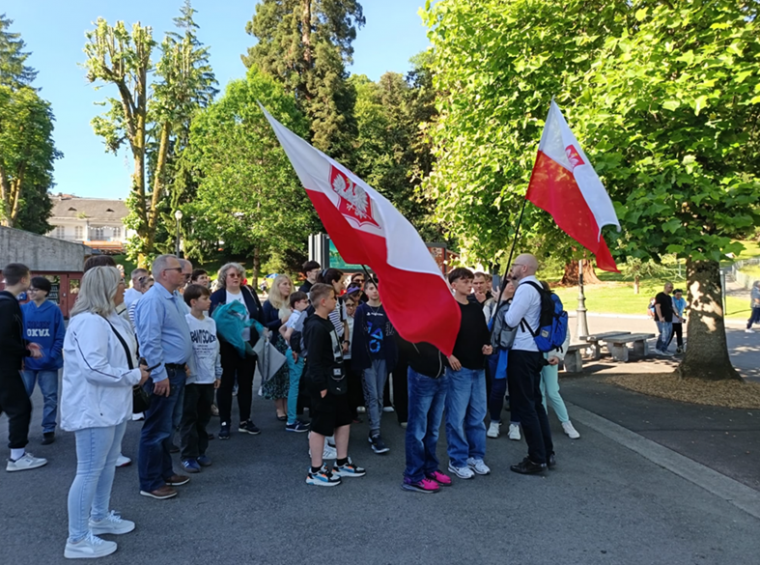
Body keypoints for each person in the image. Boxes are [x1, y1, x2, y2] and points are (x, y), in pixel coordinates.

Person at [61, 266, 149, 559]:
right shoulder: (90, 322)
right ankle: (77, 539)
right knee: (89, 470)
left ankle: (98, 517)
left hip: (110, 406)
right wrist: (134, 376)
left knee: (107, 464)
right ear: (106, 288)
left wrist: (134, 371)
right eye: (120, 282)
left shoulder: (109, 318)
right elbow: (94, 369)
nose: (125, 287)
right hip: (93, 408)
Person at [133, 254, 193, 500]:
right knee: (156, 429)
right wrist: (159, 375)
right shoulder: (153, 300)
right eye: (178, 269)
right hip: (164, 373)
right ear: (164, 273)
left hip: (174, 371)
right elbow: (149, 341)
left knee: (167, 428)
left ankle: (164, 472)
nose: (183, 274)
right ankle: (150, 482)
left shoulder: (173, 297)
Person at [304, 283, 365, 486]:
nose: (336, 301)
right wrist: (321, 386)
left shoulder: (328, 321)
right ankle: (315, 470)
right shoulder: (315, 326)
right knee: (320, 425)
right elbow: (313, 360)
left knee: (343, 420)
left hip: (337, 380)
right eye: (332, 298)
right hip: (324, 383)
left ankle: (341, 462)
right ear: (322, 301)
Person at [505, 254, 555, 475]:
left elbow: (511, 320)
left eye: (515, 265)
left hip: (522, 351)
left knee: (525, 406)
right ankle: (547, 452)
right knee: (536, 404)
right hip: (534, 351)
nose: (512, 268)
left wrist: (506, 300)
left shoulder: (525, 289)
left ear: (524, 268)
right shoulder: (539, 288)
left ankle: (536, 458)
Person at [445, 268, 492, 479]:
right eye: (465, 281)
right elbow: (440, 336)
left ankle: (476, 456)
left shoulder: (475, 308)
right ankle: (457, 460)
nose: (470, 284)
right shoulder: (449, 308)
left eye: (470, 281)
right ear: (454, 285)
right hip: (459, 369)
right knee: (456, 418)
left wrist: (488, 346)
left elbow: (483, 334)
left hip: (478, 367)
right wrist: (448, 355)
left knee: (477, 416)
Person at [209, 262, 264, 439]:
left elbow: (258, 314)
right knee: (225, 385)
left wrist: (262, 331)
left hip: (248, 345)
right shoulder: (218, 296)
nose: (235, 278)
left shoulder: (248, 292)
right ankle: (225, 423)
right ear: (224, 277)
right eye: (232, 275)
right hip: (227, 347)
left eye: (238, 275)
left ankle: (245, 420)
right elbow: (212, 321)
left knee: (246, 384)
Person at [1, 263, 47, 472]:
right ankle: (17, 457)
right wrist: (27, 352)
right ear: (23, 280)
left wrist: (26, 343)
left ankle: (17, 455)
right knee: (21, 408)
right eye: (28, 278)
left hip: (4, 365)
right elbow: (3, 338)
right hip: (4, 367)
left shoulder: (6, 301)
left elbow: (8, 334)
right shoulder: (7, 304)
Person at [398, 335, 452, 493]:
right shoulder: (413, 319)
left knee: (433, 429)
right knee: (417, 430)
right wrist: (420, 357)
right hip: (421, 374)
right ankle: (413, 475)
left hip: (441, 374)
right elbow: (402, 338)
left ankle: (429, 468)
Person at [352, 278, 397, 454]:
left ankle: (375, 430)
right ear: (366, 291)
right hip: (368, 359)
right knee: (372, 395)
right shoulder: (362, 310)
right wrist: (360, 360)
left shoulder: (387, 310)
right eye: (371, 288)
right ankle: (375, 432)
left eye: (377, 288)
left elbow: (390, 334)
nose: (375, 291)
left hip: (383, 358)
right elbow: (358, 335)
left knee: (379, 396)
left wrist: (392, 358)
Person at [180, 284, 221, 474]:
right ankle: (188, 455)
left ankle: (200, 451)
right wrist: (183, 366)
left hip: (208, 377)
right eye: (205, 299)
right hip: (192, 379)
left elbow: (215, 348)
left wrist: (217, 372)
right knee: (189, 417)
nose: (209, 301)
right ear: (193, 302)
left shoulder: (211, 322)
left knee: (203, 418)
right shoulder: (185, 321)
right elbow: (181, 347)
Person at [21, 276, 65, 445]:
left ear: (45, 291)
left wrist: (52, 355)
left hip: (49, 363)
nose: (31, 292)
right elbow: (18, 335)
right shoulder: (23, 310)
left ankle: (48, 429)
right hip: (27, 363)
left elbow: (60, 336)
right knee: (22, 398)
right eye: (29, 289)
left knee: (50, 397)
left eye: (35, 289)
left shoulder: (54, 310)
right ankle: (21, 430)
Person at [537, 281, 580, 439]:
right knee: (540, 391)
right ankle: (544, 423)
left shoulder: (553, 310)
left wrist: (558, 355)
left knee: (551, 391)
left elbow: (564, 335)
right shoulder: (544, 309)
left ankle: (565, 422)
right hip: (540, 354)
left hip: (548, 354)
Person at [485, 280, 518, 440]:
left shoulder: (521, 303)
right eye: (508, 282)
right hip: (497, 352)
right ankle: (494, 421)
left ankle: (515, 424)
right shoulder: (491, 305)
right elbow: (487, 328)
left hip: (516, 351)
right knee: (497, 390)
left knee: (516, 390)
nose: (511, 284)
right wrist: (500, 303)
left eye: (514, 281)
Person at [261, 275, 294, 420]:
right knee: (277, 376)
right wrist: (281, 321)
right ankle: (279, 409)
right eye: (284, 284)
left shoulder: (292, 302)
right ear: (277, 286)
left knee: (288, 376)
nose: (288, 287)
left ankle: (288, 407)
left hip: (290, 343)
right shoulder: (269, 304)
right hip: (276, 343)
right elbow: (265, 324)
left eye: (289, 284)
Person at [280, 290, 310, 432]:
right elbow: (287, 334)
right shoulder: (298, 316)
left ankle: (292, 418)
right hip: (295, 354)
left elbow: (281, 329)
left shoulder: (293, 315)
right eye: (305, 301)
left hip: (292, 352)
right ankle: (291, 421)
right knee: (294, 386)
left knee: (294, 385)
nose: (307, 304)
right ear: (297, 304)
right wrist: (294, 348)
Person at [654, 282, 674, 355]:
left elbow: (670, 308)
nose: (671, 289)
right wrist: (660, 317)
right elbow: (657, 307)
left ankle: (664, 348)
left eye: (672, 287)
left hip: (669, 318)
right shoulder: (660, 296)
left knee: (669, 334)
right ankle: (659, 348)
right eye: (670, 287)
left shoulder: (669, 297)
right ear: (665, 287)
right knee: (664, 334)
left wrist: (678, 316)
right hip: (662, 319)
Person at [668, 288, 687, 353]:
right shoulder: (671, 300)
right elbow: (673, 310)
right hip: (672, 320)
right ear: (674, 294)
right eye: (677, 295)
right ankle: (664, 347)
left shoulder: (682, 300)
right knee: (670, 335)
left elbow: (686, 307)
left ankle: (680, 347)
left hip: (679, 321)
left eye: (680, 295)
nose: (679, 296)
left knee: (679, 335)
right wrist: (679, 317)